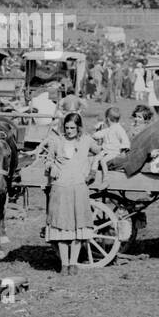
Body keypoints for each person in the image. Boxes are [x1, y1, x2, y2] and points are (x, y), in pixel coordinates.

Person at [40, 111, 102, 275]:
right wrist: (51, 167)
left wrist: (93, 171)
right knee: (61, 229)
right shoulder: (56, 141)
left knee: (77, 228)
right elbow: (48, 160)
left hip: (78, 188)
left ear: (79, 128)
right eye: (66, 127)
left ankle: (73, 263)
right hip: (60, 188)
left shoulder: (87, 140)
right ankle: (64, 264)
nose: (69, 131)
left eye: (72, 128)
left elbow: (100, 152)